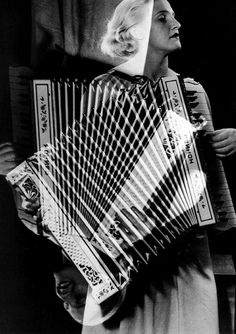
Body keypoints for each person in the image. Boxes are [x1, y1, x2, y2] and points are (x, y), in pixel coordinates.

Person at [8, 0, 236, 333]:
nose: (176, 23)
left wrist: (229, 140)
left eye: (172, 16)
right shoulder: (105, 88)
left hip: (186, 249)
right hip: (123, 252)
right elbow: (84, 171)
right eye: (162, 17)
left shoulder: (191, 92)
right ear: (133, 33)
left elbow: (209, 182)